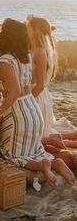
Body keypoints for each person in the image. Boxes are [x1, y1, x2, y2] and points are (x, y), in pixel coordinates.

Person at [0, 18, 74, 187]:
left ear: (5, 37)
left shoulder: (5, 61)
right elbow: (26, 87)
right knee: (32, 150)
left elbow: (14, 91)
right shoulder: (25, 58)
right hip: (32, 109)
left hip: (18, 114)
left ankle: (42, 165)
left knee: (12, 154)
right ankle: (54, 163)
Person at [26, 16, 77, 147]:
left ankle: (68, 142)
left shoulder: (41, 52)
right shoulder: (30, 47)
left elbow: (40, 85)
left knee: (35, 142)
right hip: (31, 94)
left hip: (36, 97)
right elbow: (5, 33)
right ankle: (66, 138)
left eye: (28, 26)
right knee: (37, 138)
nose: (26, 28)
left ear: (36, 31)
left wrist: (26, 102)